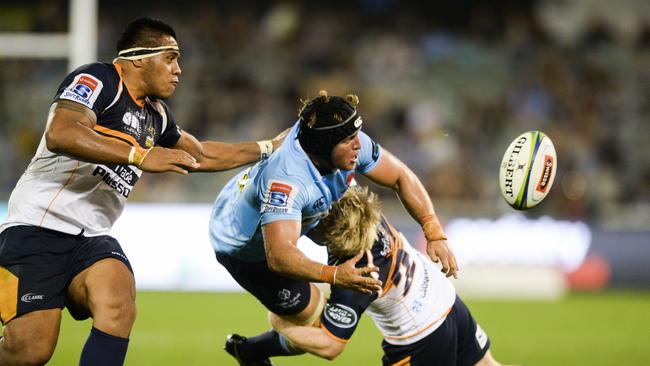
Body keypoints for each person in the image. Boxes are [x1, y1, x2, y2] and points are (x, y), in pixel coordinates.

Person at [0, 17, 285, 366]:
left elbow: (200, 154)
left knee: (118, 302)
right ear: (138, 58)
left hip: (91, 237)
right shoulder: (99, 80)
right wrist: (140, 154)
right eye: (170, 58)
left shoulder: (157, 116)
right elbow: (62, 132)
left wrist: (269, 147)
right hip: (36, 229)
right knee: (30, 353)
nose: (178, 69)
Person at [211, 90, 459, 365]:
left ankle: (250, 351)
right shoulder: (288, 182)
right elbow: (278, 255)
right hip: (244, 247)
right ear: (324, 145)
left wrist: (433, 231)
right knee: (317, 329)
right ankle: (251, 352)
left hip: (264, 208)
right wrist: (334, 275)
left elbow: (400, 176)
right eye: (348, 140)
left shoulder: (339, 144)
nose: (359, 145)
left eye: (356, 135)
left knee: (320, 325)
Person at [265, 187, 502, 366]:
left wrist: (281, 325)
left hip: (421, 339)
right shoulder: (363, 211)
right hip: (446, 300)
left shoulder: (357, 274)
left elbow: (330, 346)